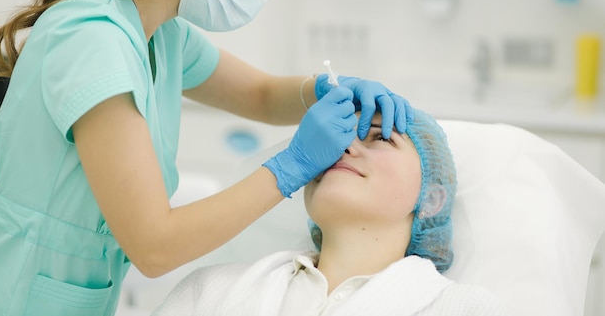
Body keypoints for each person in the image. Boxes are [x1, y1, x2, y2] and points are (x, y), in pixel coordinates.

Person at [0, 0, 414, 315]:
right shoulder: (93, 39)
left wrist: (324, 89)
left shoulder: (163, 35)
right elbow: (154, 246)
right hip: (13, 294)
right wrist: (291, 166)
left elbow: (259, 94)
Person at [152, 107, 509, 316]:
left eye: (379, 137)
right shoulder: (212, 289)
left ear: (431, 199)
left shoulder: (465, 309)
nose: (346, 148)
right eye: (337, 139)